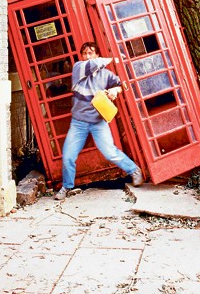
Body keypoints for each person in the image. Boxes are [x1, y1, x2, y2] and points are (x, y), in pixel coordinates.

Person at [54, 41, 143, 200]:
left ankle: (134, 170)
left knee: (110, 152)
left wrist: (114, 90)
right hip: (78, 122)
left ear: (96, 54)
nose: (87, 56)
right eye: (85, 53)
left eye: (91, 53)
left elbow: (121, 85)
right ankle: (67, 187)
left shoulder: (106, 75)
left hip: (98, 122)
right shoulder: (78, 68)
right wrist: (113, 58)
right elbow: (93, 65)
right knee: (68, 156)